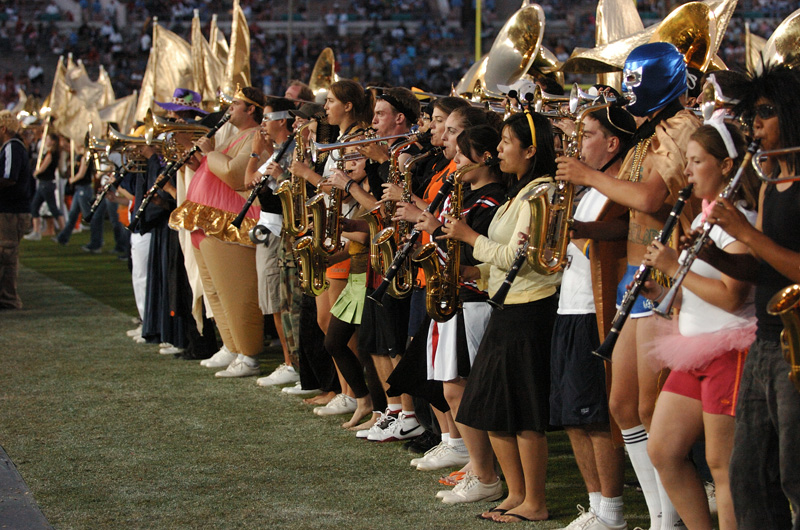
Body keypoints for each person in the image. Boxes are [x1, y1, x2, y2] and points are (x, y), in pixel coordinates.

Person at [557, 42, 701, 530]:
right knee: (622, 405)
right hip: (633, 278)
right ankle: (662, 514)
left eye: (633, 81)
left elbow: (650, 197)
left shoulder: (681, 128)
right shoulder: (651, 132)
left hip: (662, 278)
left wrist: (587, 176)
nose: (627, 91)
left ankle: (670, 519)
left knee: (647, 405)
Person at [442, 110, 559, 523]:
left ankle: (535, 502)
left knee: (523, 411)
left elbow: (521, 258)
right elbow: (502, 261)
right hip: (508, 305)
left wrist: (470, 238)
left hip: (529, 309)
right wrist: (472, 271)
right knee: (491, 405)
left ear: (530, 150)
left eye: (508, 142)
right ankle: (516, 493)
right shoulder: (518, 191)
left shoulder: (541, 193)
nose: (500, 149)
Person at [642, 120, 758, 530]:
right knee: (663, 449)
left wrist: (675, 267)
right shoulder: (706, 216)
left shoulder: (742, 218)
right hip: (693, 347)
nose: (687, 171)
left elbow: (731, 295)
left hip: (730, 348)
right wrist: (664, 292)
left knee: (721, 464)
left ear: (726, 166)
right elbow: (698, 287)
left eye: (696, 161)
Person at [705, 63, 800, 530]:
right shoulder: (769, 185)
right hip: (766, 343)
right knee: (747, 475)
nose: (755, 126)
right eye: (751, 115)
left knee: (795, 476)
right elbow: (762, 267)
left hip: (795, 349)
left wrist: (743, 231)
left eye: (765, 113)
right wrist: (716, 255)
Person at [552, 105, 636, 530]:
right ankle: (596, 506)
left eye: (586, 135)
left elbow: (625, 231)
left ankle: (614, 512)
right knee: (572, 417)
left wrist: (578, 232)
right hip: (569, 306)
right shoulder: (587, 189)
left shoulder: (620, 185)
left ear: (612, 142)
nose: (578, 143)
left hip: (594, 310)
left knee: (597, 417)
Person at [413, 125, 507, 503]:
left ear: (486, 157)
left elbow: (476, 253)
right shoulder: (467, 193)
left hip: (474, 299)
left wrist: (437, 230)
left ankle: (485, 473)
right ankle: (479, 466)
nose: (456, 162)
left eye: (463, 155)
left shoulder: (493, 199)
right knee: (452, 389)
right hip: (454, 297)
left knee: (461, 389)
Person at [170, 86, 267, 378]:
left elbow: (234, 175)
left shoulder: (255, 137)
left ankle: (248, 354)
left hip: (230, 224)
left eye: (236, 104)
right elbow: (217, 170)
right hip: (207, 221)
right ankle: (232, 346)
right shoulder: (235, 136)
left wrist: (210, 154)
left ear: (251, 109)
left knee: (235, 292)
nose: (230, 109)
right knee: (215, 291)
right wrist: (198, 162)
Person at [0, 110, 34, 309]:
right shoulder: (10, 147)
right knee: (5, 254)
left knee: (7, 254)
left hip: (11, 211)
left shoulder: (12, 147)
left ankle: (8, 298)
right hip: (10, 209)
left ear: (4, 128)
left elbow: (9, 177)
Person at [25, 132, 65, 240]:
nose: (45, 141)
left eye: (47, 139)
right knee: (35, 207)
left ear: (52, 141)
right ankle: (36, 232)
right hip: (45, 183)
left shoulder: (51, 154)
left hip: (46, 184)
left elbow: (43, 167)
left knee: (53, 208)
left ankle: (63, 231)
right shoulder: (52, 153)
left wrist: (36, 173)